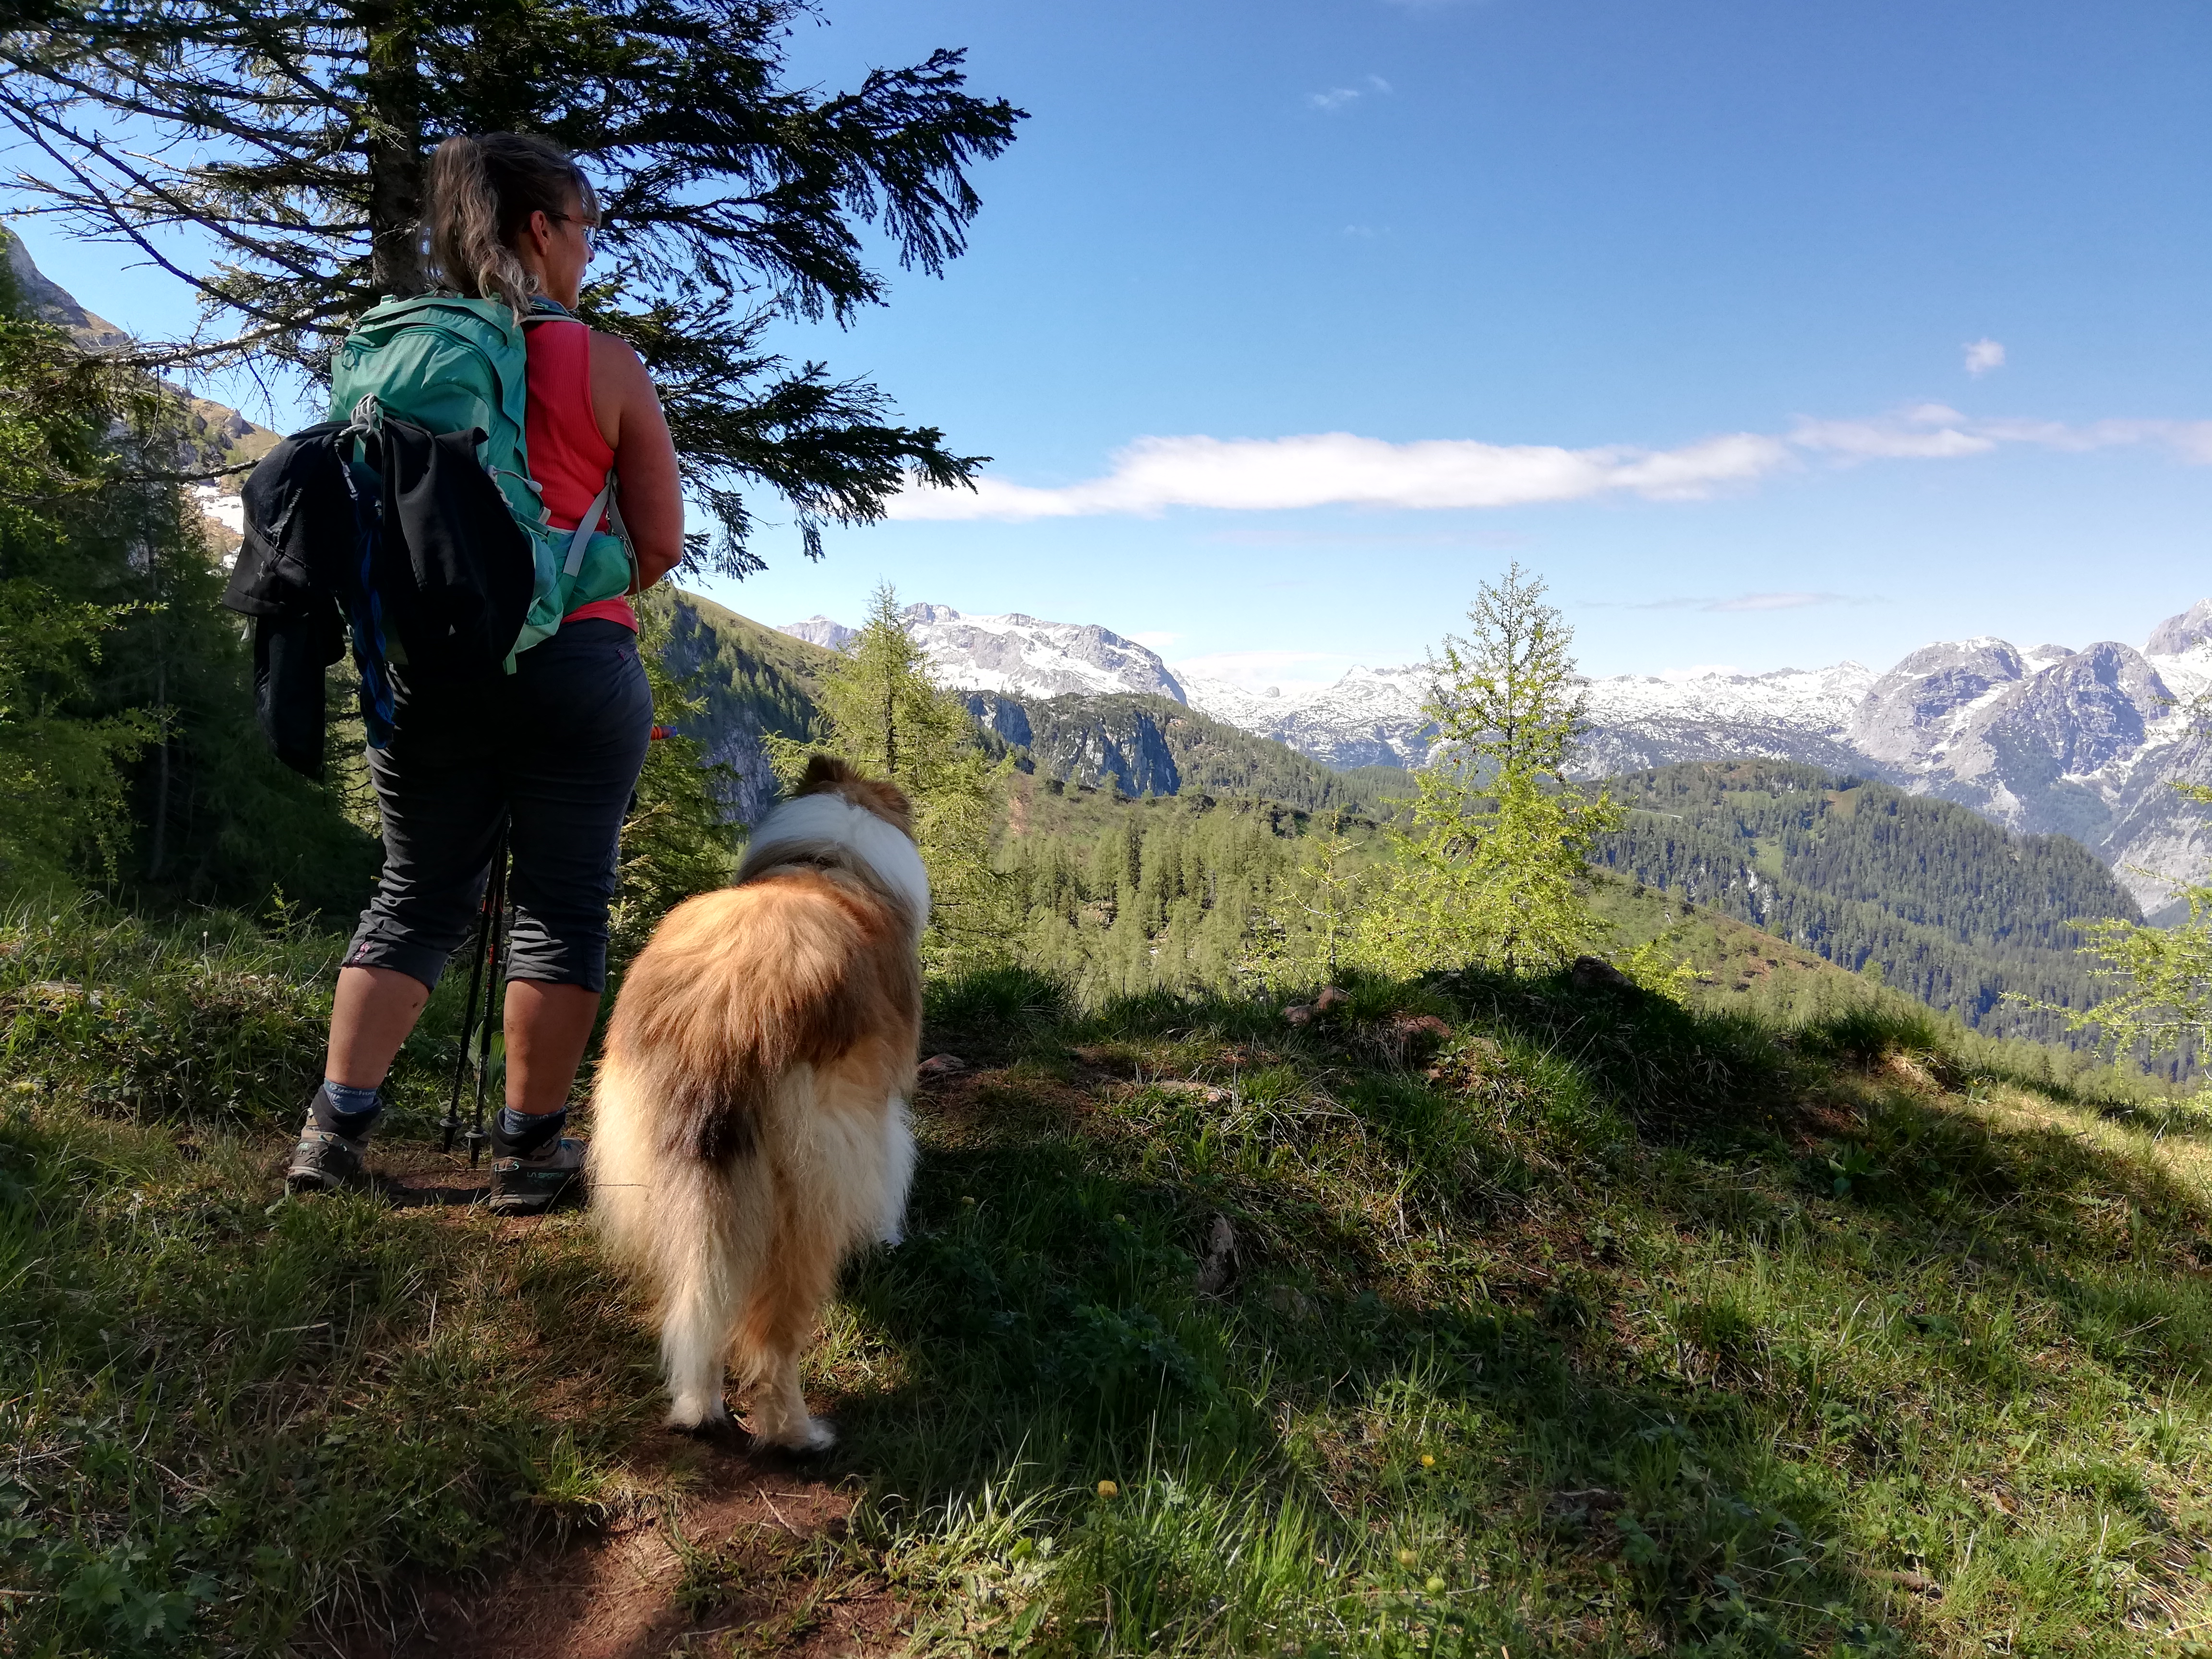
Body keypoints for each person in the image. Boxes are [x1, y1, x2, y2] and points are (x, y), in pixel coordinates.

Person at [287, 132, 685, 1214]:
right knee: (561, 907)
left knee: (414, 894)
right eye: (586, 229)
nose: (590, 251)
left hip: (428, 670)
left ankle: (335, 1135)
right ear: (540, 230)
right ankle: (530, 1151)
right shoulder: (602, 362)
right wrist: (559, 581)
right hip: (577, 670)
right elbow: (659, 544)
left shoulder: (395, 350)